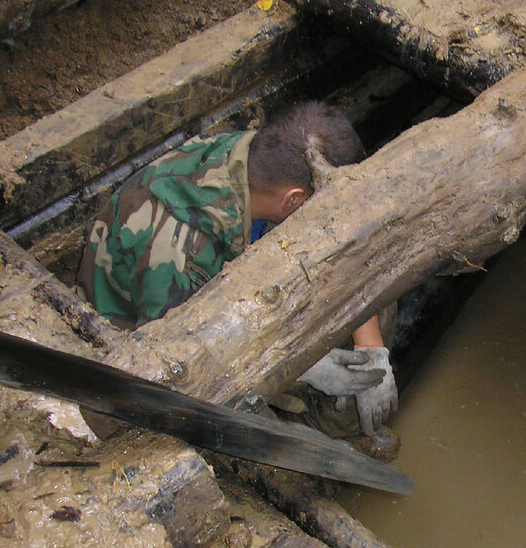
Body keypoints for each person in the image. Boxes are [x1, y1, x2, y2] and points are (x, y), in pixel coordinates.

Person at [76, 101, 399, 441]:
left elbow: (343, 228)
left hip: (228, 277)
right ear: (293, 201)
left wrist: (371, 347)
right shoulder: (176, 254)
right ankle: (315, 430)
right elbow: (187, 363)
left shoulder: (262, 157)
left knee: (370, 305)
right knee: (256, 427)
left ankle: (335, 418)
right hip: (159, 326)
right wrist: (302, 366)